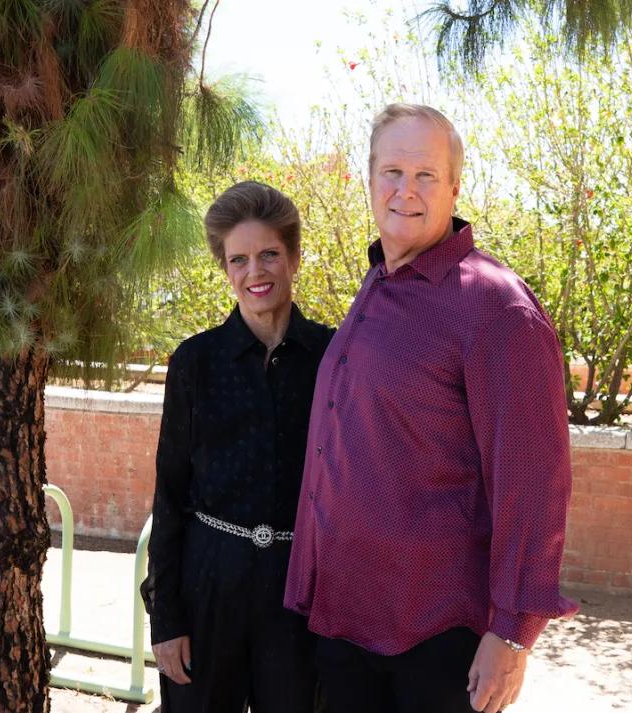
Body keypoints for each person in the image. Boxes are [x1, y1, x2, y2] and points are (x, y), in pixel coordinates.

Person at [284, 104, 579, 713]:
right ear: (369, 181)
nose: (405, 191)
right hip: (347, 621)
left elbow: (533, 482)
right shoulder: (379, 282)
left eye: (425, 175)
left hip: (434, 639)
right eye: (392, 171)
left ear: (454, 186)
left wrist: (511, 634)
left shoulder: (495, 308)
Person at [142, 181, 333, 712]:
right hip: (209, 585)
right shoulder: (194, 362)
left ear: (293, 257)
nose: (256, 272)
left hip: (301, 590)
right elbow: (170, 494)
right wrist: (167, 618)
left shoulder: (333, 356)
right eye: (239, 259)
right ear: (225, 267)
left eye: (270, 253)